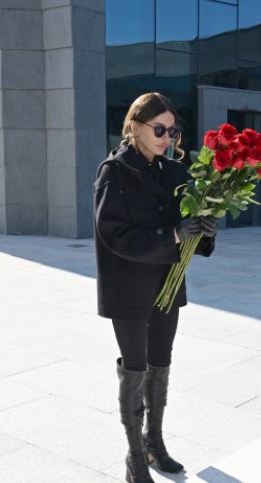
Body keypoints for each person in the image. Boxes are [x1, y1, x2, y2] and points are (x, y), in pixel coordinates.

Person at [94, 92, 218, 483]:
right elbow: (113, 234)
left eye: (172, 130)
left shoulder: (176, 172)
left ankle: (155, 443)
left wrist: (205, 230)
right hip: (128, 285)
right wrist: (173, 234)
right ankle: (134, 459)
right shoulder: (113, 171)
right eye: (159, 128)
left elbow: (191, 226)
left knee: (160, 365)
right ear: (135, 126)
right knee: (134, 367)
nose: (167, 136)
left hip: (168, 282)